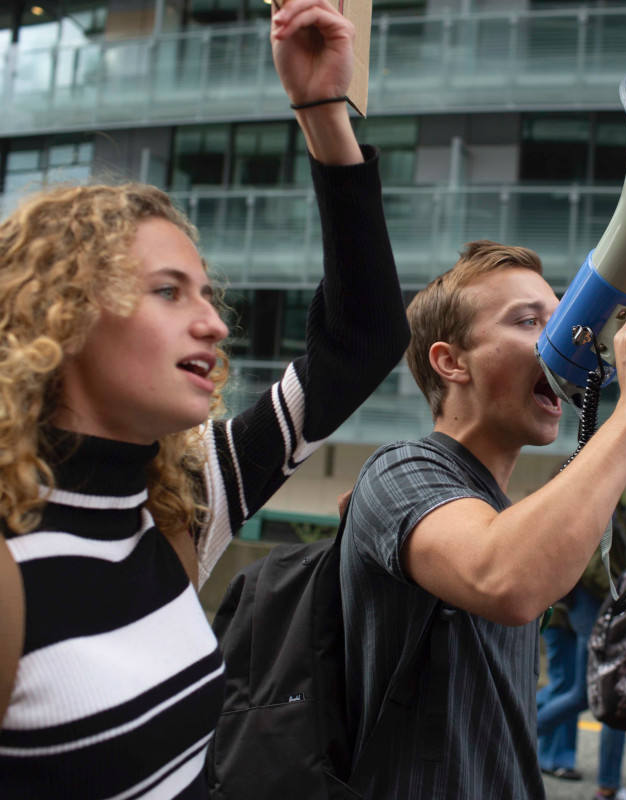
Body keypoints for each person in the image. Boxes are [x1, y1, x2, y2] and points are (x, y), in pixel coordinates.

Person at [0, 1, 410, 796]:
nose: (215, 322)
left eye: (206, 291)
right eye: (168, 291)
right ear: (66, 317)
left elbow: (360, 340)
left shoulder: (181, 505)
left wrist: (322, 109)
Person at [340, 240, 626, 798]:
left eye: (564, 320)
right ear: (450, 361)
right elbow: (504, 579)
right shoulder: (400, 468)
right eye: (529, 321)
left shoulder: (501, 513)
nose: (561, 345)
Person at [537, 496, 626, 800]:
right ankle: (514, 739)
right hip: (588, 604)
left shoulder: (579, 495)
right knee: (589, 691)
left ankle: (603, 783)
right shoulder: (602, 492)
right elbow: (602, 565)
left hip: (573, 607)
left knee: (580, 689)